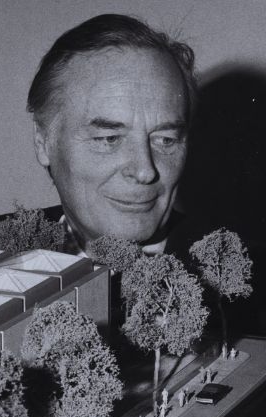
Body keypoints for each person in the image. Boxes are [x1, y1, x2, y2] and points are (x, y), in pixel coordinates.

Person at [26, 14, 195, 254]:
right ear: (43, 142)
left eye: (165, 140)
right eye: (109, 139)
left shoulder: (262, 283)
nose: (145, 171)